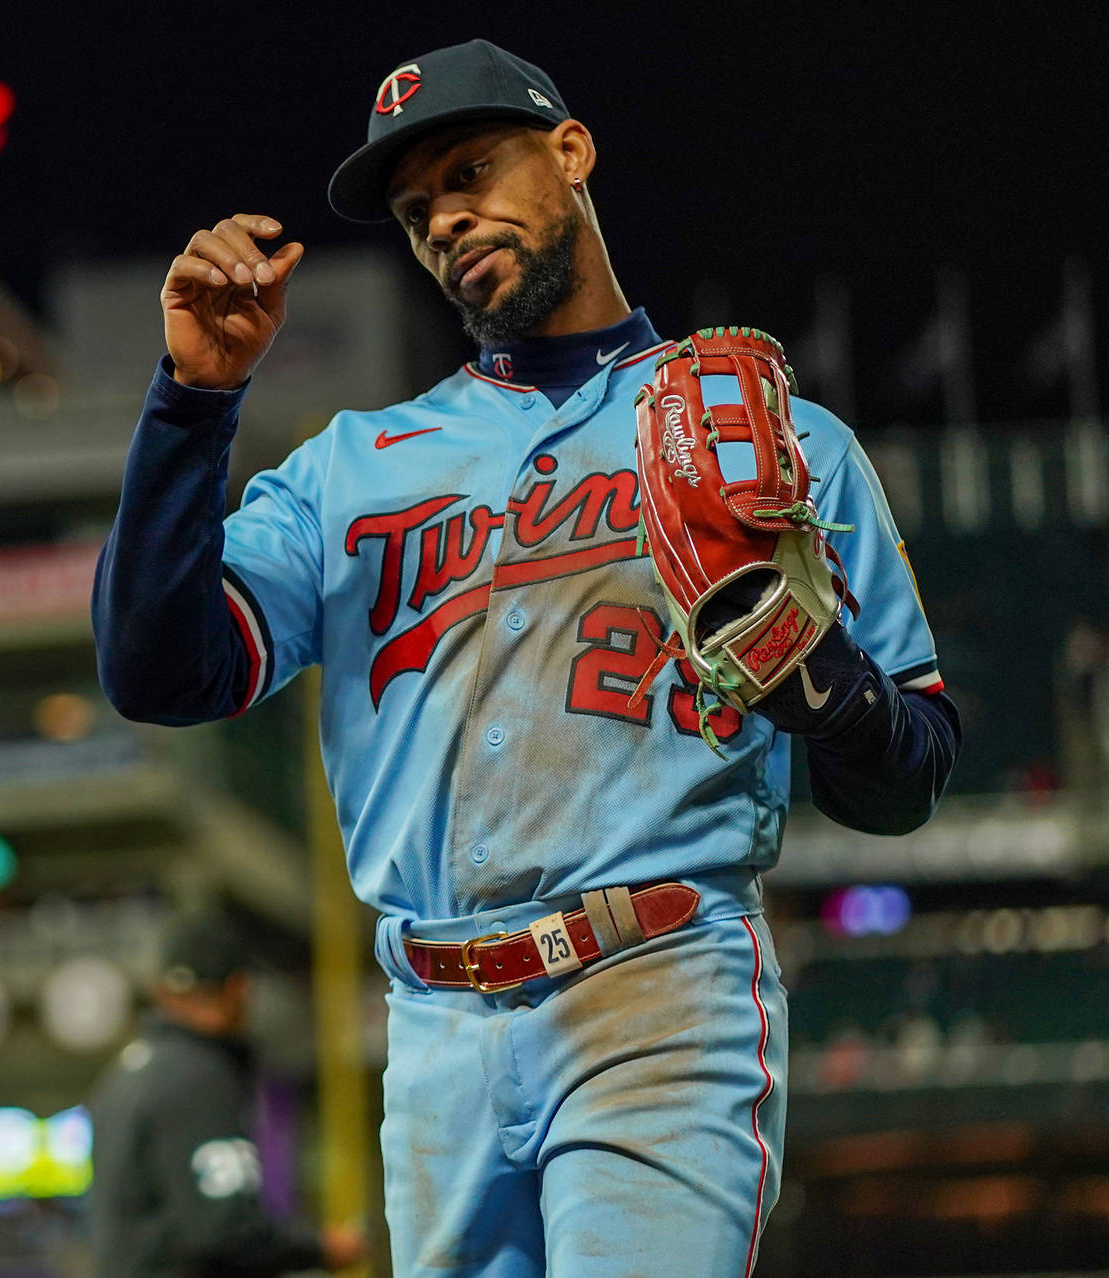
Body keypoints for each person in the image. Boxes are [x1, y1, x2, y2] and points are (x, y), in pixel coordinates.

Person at [92, 37, 962, 1278]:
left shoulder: (765, 438)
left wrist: (831, 696)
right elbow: (159, 674)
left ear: (570, 151)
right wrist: (190, 403)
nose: (448, 216)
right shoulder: (350, 470)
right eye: (416, 208)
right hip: (434, 1028)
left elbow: (910, 775)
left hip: (654, 989)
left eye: (473, 168)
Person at [88, 913, 367, 1277]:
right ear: (238, 989)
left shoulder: (123, 1071)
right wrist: (320, 1248)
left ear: (162, 991)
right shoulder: (200, 1073)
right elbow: (224, 1231)